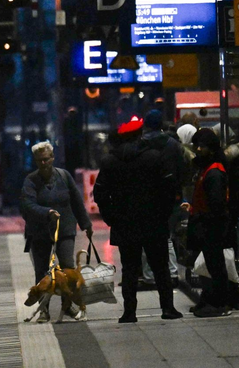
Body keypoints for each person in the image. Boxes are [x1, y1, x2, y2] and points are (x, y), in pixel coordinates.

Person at [93, 118, 182, 323]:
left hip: (124, 224)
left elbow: (100, 193)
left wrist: (111, 217)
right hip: (154, 222)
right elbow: (168, 190)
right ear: (139, 136)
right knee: (160, 267)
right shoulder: (154, 158)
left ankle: (129, 312)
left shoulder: (110, 162)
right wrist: (164, 214)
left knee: (130, 268)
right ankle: (167, 308)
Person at [20, 141, 93, 323]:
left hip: (65, 229)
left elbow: (76, 201)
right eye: (39, 161)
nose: (43, 163)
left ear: (52, 158)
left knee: (67, 268)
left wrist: (86, 224)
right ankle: (44, 310)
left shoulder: (64, 176)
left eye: (46, 159)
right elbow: (27, 205)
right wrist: (47, 212)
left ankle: (67, 306)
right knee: (42, 271)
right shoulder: (31, 181)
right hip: (40, 233)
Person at [186, 127, 232, 317]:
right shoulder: (208, 168)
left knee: (215, 265)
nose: (198, 149)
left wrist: (206, 222)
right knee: (210, 265)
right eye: (196, 145)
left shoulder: (214, 172)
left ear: (211, 148)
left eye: (202, 146)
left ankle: (220, 304)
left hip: (211, 226)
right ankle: (210, 299)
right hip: (206, 224)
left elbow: (216, 204)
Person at [139, 110, 185, 288]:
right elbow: (182, 169)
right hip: (169, 196)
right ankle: (172, 273)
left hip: (147, 196)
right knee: (167, 236)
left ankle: (149, 275)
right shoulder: (172, 144)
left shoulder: (141, 143)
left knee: (146, 237)